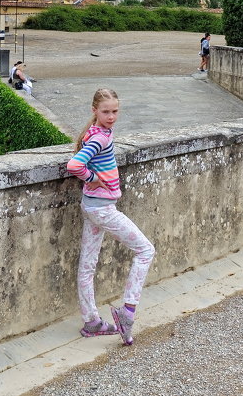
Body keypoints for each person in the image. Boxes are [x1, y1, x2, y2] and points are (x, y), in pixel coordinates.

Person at [65, 88, 155, 346]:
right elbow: (74, 165)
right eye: (106, 112)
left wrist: (94, 180)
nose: (112, 116)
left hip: (92, 207)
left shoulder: (96, 132)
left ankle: (92, 321)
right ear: (94, 111)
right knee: (146, 250)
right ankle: (127, 312)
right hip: (102, 210)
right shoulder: (100, 139)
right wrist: (94, 179)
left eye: (115, 111)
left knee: (87, 266)